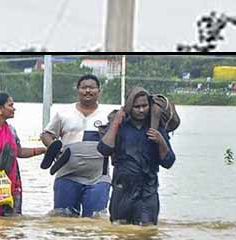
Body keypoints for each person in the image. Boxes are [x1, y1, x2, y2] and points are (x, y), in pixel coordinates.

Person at [97, 87, 176, 225]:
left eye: (144, 106)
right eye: (136, 107)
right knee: (120, 230)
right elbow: (104, 149)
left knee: (147, 230)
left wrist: (161, 142)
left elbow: (168, 162)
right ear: (129, 107)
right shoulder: (120, 126)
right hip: (122, 189)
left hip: (148, 190)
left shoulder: (156, 127)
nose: (141, 110)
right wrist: (115, 123)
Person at [41, 74, 113, 217]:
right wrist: (54, 148)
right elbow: (46, 135)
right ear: (77, 90)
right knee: (63, 221)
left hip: (98, 178)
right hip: (67, 175)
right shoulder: (63, 113)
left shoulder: (108, 115)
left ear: (99, 91)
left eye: (91, 88)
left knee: (95, 221)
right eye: (83, 87)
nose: (87, 91)